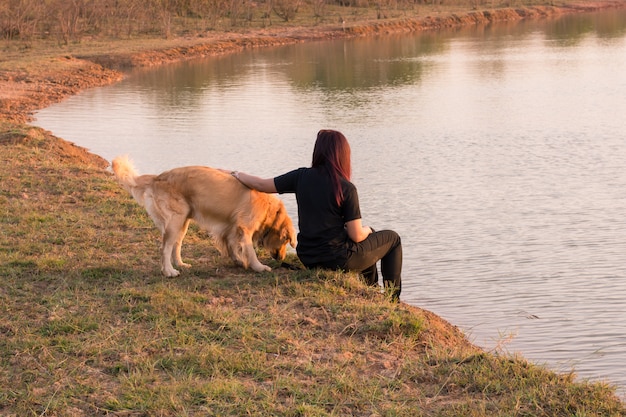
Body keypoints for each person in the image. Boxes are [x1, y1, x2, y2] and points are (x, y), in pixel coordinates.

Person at [230, 129, 402, 301]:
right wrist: (368, 230)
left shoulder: (301, 177)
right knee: (392, 239)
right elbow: (356, 235)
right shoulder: (346, 188)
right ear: (343, 155)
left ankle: (370, 291)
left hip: (309, 257)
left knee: (366, 241)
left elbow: (261, 184)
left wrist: (236, 174)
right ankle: (393, 299)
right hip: (337, 259)